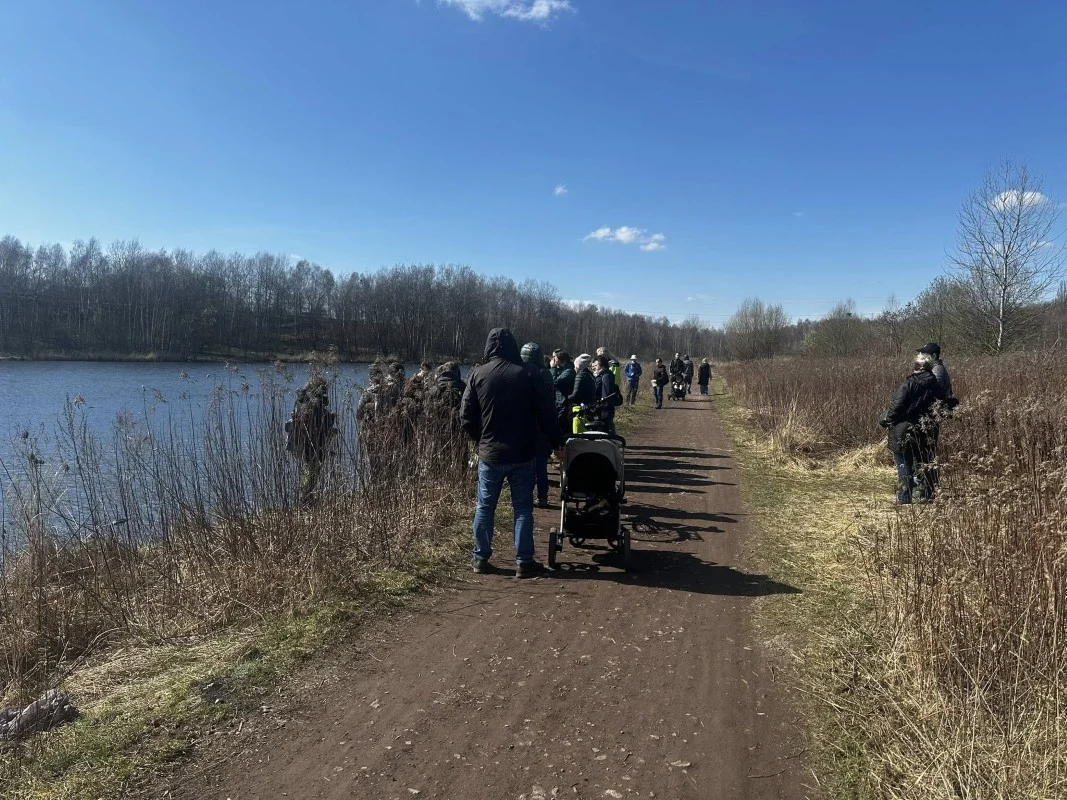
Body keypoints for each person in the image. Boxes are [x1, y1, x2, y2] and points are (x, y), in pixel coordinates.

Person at [461, 328, 561, 577]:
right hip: (523, 454)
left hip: (490, 455)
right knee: (523, 508)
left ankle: (480, 558)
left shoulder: (477, 373)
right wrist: (558, 443)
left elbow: (465, 417)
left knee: (485, 507)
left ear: (488, 347)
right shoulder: (530, 374)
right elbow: (547, 413)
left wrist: (480, 439)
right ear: (514, 346)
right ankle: (524, 561)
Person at [880, 353, 939, 504]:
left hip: (905, 427)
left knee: (903, 460)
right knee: (924, 460)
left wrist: (886, 420)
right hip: (927, 428)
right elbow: (942, 404)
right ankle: (928, 494)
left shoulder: (910, 384)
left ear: (916, 368)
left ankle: (904, 496)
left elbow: (897, 406)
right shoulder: (936, 385)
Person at [285, 373, 336, 506]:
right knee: (312, 468)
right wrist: (329, 423)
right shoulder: (314, 402)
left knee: (310, 468)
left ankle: (307, 496)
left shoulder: (302, 400)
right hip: (313, 440)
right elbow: (319, 422)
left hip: (302, 439)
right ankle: (305, 497)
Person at [520, 341, 555, 508]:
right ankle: (542, 496)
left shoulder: (527, 374)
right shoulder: (547, 374)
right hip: (543, 425)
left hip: (531, 425)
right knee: (540, 465)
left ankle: (531, 495)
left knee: (531, 465)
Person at [566, 353, 598, 431]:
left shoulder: (580, 376)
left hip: (581, 409)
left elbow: (576, 395)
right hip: (589, 407)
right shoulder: (590, 375)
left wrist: (566, 398)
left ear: (578, 366)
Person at [592, 353, 621, 434]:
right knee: (607, 427)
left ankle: (611, 443)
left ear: (602, 365)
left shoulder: (606, 376)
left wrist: (603, 406)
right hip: (603, 407)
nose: (594, 368)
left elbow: (606, 393)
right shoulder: (602, 374)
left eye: (596, 365)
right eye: (593, 366)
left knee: (606, 428)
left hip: (604, 408)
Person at [550, 350, 576, 439]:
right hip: (558, 402)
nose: (554, 360)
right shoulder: (562, 370)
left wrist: (553, 368)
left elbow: (554, 382)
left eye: (555, 359)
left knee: (562, 426)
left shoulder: (569, 371)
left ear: (562, 361)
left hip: (564, 404)